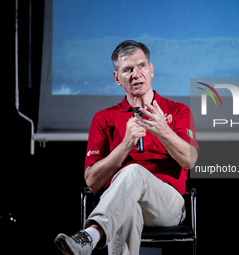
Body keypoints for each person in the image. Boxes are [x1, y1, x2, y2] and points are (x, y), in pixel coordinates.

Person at [54, 40, 199, 255]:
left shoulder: (178, 111)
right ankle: (92, 234)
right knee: (127, 210)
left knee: (133, 172)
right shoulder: (104, 118)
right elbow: (92, 182)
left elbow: (190, 160)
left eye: (141, 66)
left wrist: (162, 130)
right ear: (117, 78)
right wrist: (125, 145)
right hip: (121, 203)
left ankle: (91, 234)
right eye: (128, 69)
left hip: (166, 205)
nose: (136, 74)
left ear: (151, 70)